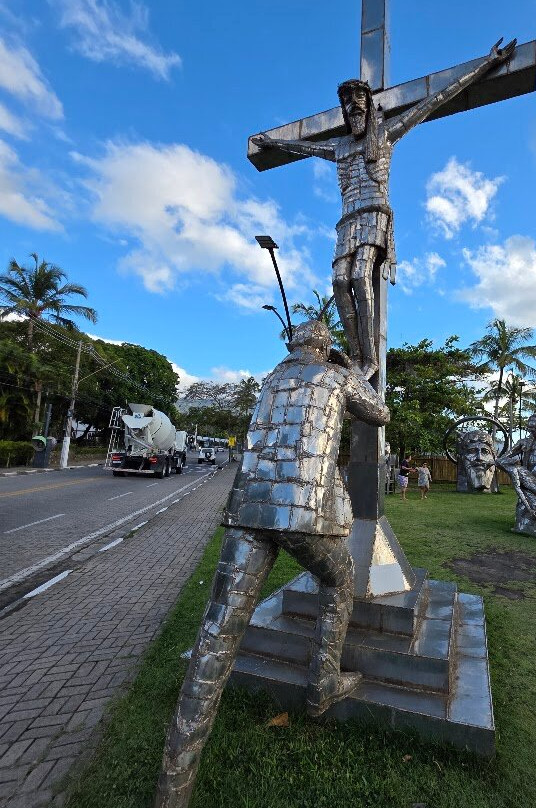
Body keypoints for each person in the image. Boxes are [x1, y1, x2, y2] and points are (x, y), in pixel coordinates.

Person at [154, 320, 390, 808]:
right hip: (305, 512)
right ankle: (322, 685)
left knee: (215, 636)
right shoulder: (336, 377)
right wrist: (350, 369)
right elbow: (379, 413)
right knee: (341, 581)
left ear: (292, 348)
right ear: (326, 350)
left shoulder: (269, 379)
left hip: (250, 509)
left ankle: (171, 789)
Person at [253, 38, 516, 379]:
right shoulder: (339, 146)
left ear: (368, 105)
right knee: (337, 281)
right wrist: (271, 142)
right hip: (347, 219)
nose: (353, 111)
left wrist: (486, 64)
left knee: (361, 275)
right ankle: (357, 354)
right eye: (347, 107)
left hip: (375, 211)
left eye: (358, 105)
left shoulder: (387, 133)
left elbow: (435, 99)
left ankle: (371, 359)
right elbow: (301, 147)